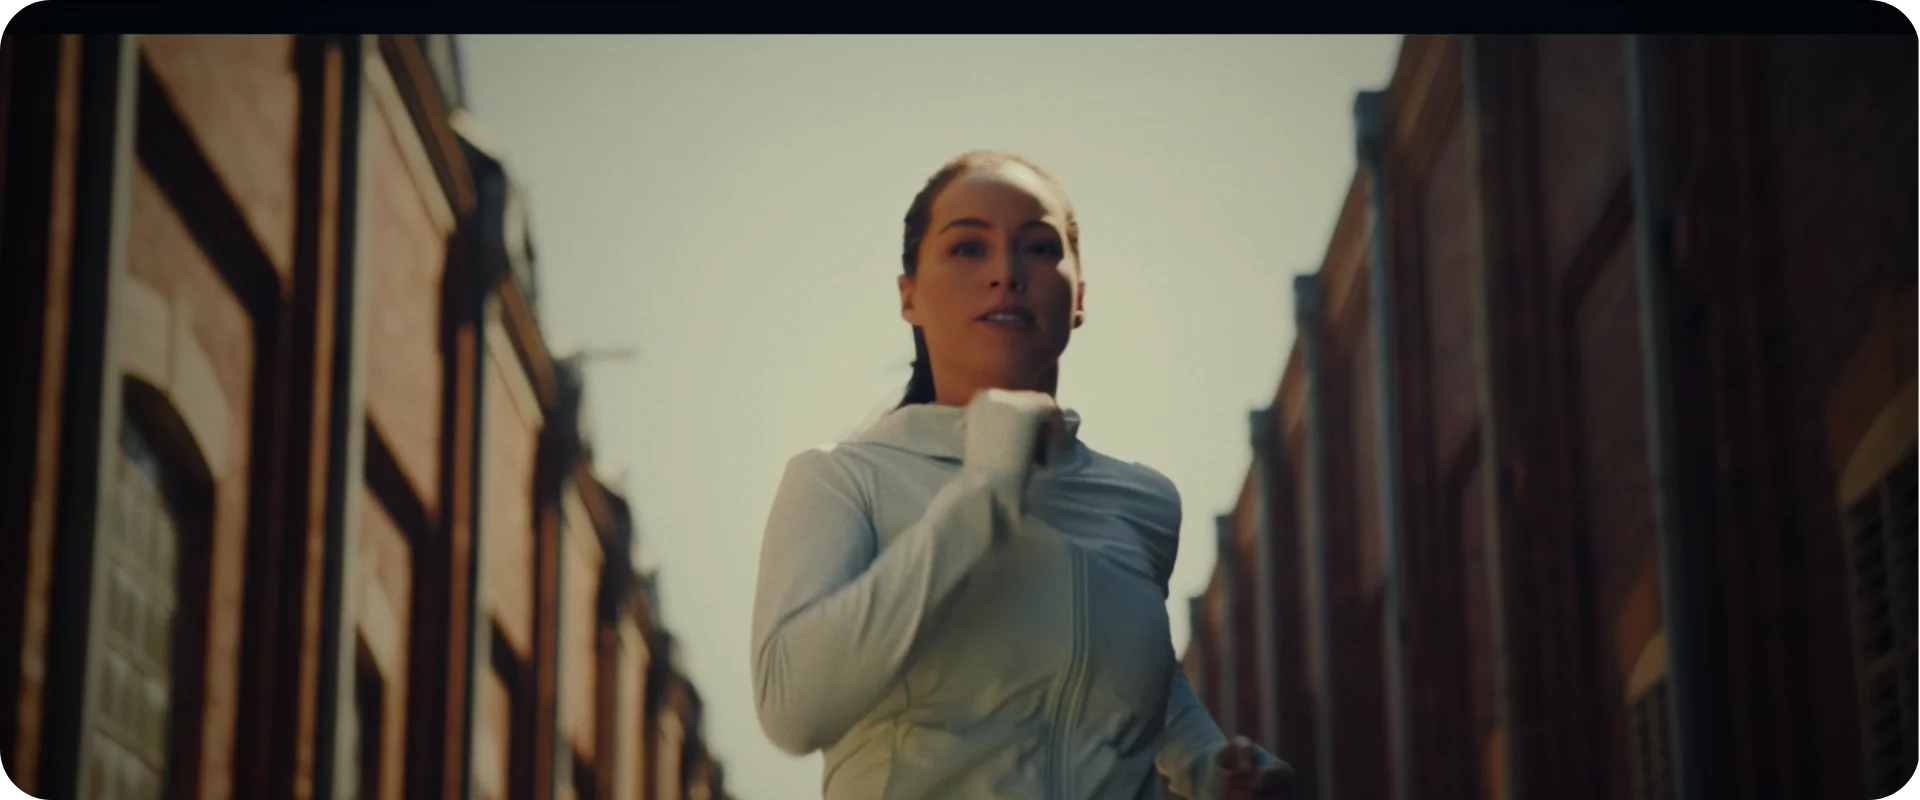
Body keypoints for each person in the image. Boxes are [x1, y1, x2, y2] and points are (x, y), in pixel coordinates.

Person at [750, 150, 1295, 799]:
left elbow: (1128, 675)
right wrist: (984, 489)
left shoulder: (1144, 501)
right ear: (909, 296)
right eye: (968, 248)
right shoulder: (841, 481)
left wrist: (1206, 761)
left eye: (1037, 247)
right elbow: (792, 707)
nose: (1005, 273)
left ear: (1079, 295)